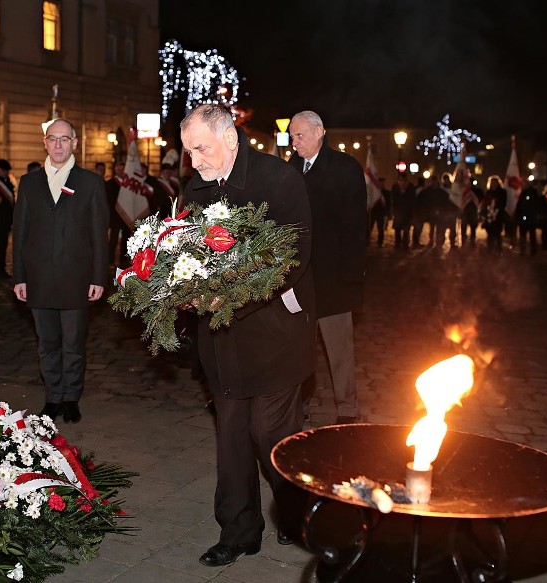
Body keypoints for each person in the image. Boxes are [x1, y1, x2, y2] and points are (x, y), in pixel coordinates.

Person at [181, 105, 315, 566]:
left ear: (230, 140)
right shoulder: (194, 188)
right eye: (188, 151)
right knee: (233, 434)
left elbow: (291, 258)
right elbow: (183, 252)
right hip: (220, 340)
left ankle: (299, 513)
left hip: (275, 332)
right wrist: (179, 290)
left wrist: (232, 297)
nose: (193, 160)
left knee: (271, 431)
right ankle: (239, 532)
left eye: (201, 148)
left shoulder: (278, 179)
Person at [12, 119, 109, 424]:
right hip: (38, 279)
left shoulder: (91, 183)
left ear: (74, 143)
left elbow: (98, 234)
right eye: (53, 139)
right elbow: (21, 233)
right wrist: (19, 276)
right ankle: (53, 397)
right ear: (44, 142)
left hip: (76, 279)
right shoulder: (29, 183)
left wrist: (98, 277)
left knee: (73, 344)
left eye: (64, 139)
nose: (58, 145)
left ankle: (71, 398)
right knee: (47, 344)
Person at [289, 110, 364, 424]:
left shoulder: (345, 168)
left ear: (319, 132)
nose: (294, 143)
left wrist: (352, 273)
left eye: (300, 135)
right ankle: (299, 403)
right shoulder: (290, 169)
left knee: (338, 348)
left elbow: (357, 225)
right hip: (298, 277)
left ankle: (346, 407)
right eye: (292, 136)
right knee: (298, 347)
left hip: (333, 276)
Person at [104, 160, 130, 267]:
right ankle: (110, 260)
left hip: (126, 216)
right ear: (115, 170)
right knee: (113, 240)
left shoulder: (129, 184)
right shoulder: (109, 183)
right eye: (118, 169)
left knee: (126, 238)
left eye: (122, 169)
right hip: (114, 216)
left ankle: (123, 261)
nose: (120, 171)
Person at [481, 176, 505, 253]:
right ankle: (489, 249)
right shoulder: (489, 192)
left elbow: (503, 203)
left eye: (495, 182)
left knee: (497, 234)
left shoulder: (502, 192)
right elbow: (485, 202)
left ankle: (498, 250)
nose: (493, 184)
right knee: (490, 234)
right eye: (492, 182)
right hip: (489, 216)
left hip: (498, 216)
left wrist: (496, 209)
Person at [391, 173, 415, 248]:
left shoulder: (410, 188)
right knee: (397, 230)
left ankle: (405, 244)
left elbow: (413, 201)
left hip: (407, 214)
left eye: (404, 181)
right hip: (398, 213)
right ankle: (397, 244)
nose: (402, 183)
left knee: (406, 230)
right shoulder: (395, 188)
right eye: (400, 180)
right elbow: (393, 200)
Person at [515, 181, 539, 256]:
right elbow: (519, 205)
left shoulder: (533, 193)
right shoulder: (523, 193)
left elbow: (534, 205)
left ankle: (533, 251)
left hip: (530, 217)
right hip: (524, 217)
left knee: (532, 236)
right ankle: (523, 250)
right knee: (523, 235)